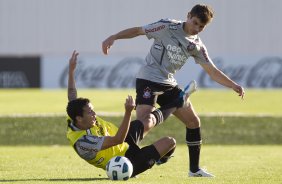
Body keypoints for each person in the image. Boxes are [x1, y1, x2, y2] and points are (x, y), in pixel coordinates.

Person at [102, 4, 245, 177]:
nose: (196, 29)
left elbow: (213, 71)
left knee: (193, 122)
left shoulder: (197, 45)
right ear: (188, 15)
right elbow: (139, 30)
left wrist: (233, 85)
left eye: (201, 27)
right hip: (148, 79)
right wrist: (114, 37)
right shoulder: (166, 26)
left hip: (168, 83)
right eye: (195, 23)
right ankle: (133, 160)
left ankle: (194, 170)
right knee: (144, 123)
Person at [66, 50, 182, 178]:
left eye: (93, 110)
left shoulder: (74, 114)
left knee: (148, 119)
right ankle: (179, 101)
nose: (94, 114)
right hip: (123, 161)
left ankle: (178, 102)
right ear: (79, 118)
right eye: (90, 112)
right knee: (170, 142)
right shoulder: (83, 142)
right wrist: (127, 112)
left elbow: (72, 94)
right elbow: (117, 140)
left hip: (124, 140)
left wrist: (71, 70)